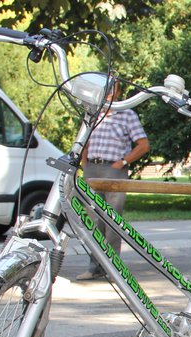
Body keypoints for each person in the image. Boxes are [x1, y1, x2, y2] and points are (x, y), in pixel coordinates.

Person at [76, 82, 150, 281]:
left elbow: (143, 145)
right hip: (92, 169)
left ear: (118, 91)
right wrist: (85, 164)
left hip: (114, 171)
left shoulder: (127, 114)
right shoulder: (93, 113)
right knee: (93, 220)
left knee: (112, 220)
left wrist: (122, 162)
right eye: (105, 88)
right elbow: (84, 142)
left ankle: (112, 267)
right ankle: (94, 266)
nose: (108, 92)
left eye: (112, 88)